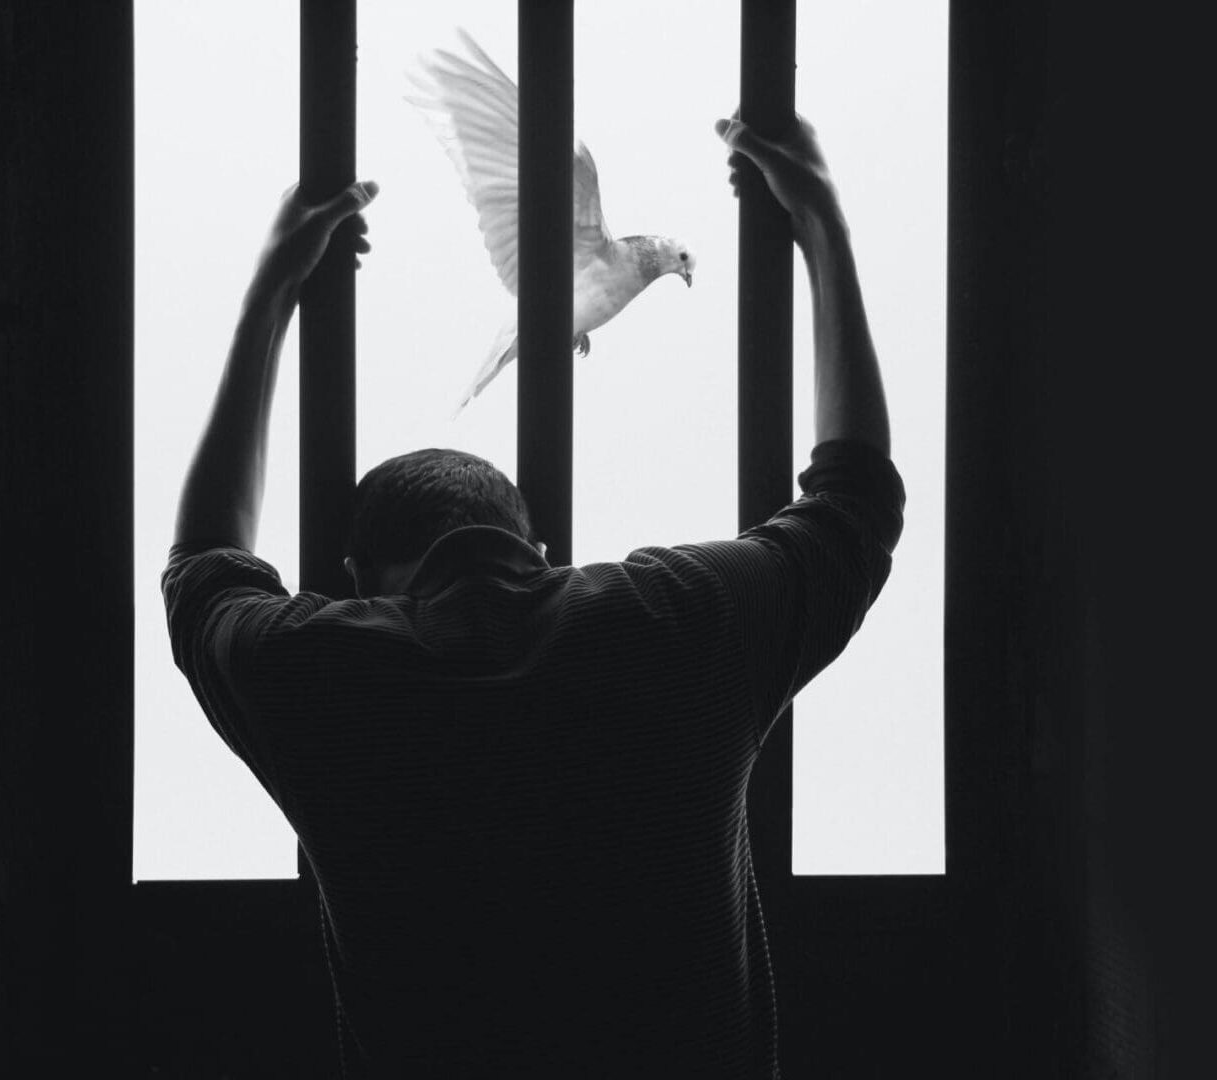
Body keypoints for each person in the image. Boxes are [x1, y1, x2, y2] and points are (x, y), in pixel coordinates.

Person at [163, 114, 903, 1077]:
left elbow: (202, 571)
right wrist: (822, 227)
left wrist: (272, 291)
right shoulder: (679, 625)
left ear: (360, 585)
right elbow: (854, 507)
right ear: (541, 552)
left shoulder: (324, 677)